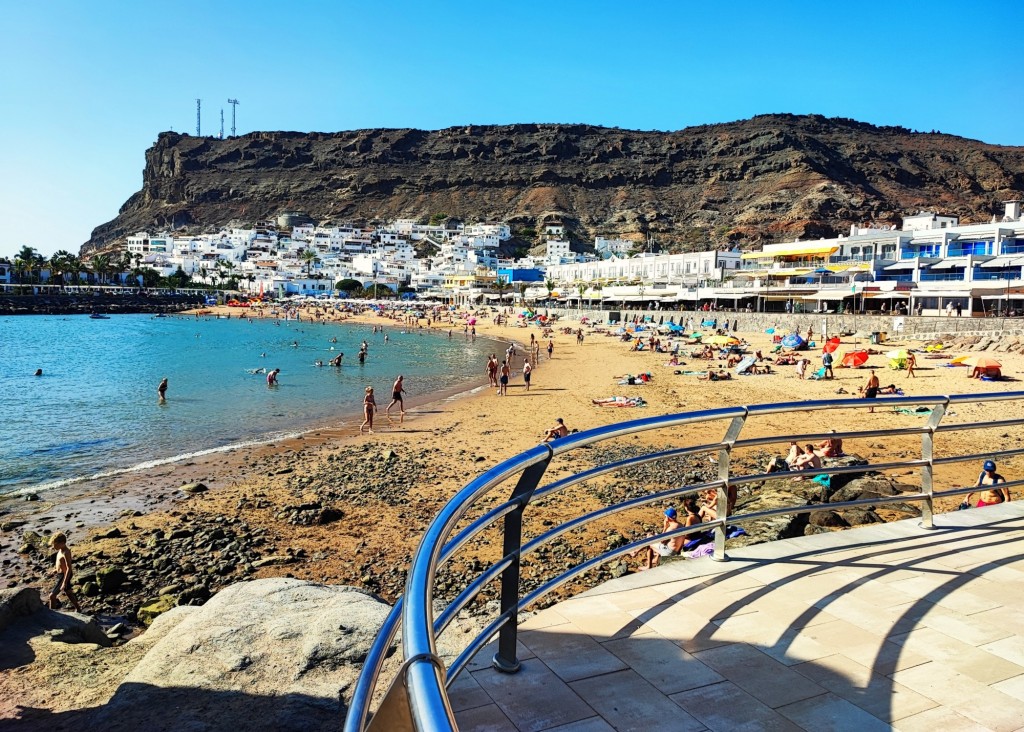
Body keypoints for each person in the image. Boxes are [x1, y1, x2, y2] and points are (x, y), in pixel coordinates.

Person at [47, 533, 82, 612]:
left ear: (62, 543)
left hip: (65, 575)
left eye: (55, 544)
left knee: (52, 596)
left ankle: (52, 614)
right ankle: (78, 609)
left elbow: (69, 568)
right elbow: (60, 564)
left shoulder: (66, 552)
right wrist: (55, 570)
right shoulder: (60, 551)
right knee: (68, 592)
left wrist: (64, 582)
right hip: (61, 574)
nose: (53, 547)